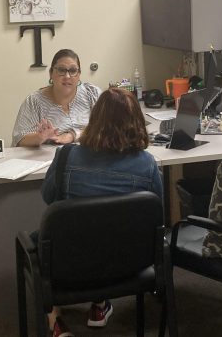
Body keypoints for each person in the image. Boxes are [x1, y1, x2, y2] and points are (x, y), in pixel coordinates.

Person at [40, 87, 164, 337]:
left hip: (69, 263)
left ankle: (55, 320)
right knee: (108, 233)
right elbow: (156, 214)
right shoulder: (147, 163)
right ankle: (100, 304)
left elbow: (49, 198)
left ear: (95, 119)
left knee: (41, 241)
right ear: (137, 121)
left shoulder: (66, 157)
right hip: (127, 263)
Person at [12, 49, 101, 147]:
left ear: (79, 74)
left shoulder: (93, 94)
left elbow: (108, 127)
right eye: (61, 70)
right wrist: (40, 137)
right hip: (51, 160)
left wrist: (73, 135)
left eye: (73, 71)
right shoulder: (34, 101)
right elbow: (19, 139)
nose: (67, 76)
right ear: (51, 73)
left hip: (92, 158)